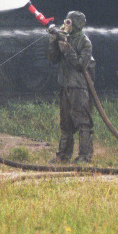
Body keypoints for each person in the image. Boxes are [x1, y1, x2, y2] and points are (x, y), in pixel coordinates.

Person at [47, 11, 96, 164]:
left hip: (79, 88)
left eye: (70, 22)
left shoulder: (85, 42)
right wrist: (53, 43)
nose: (66, 24)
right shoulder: (64, 38)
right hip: (65, 85)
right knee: (65, 123)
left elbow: (81, 65)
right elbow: (53, 60)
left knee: (83, 122)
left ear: (77, 24)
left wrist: (67, 50)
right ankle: (63, 155)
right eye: (66, 21)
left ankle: (85, 156)